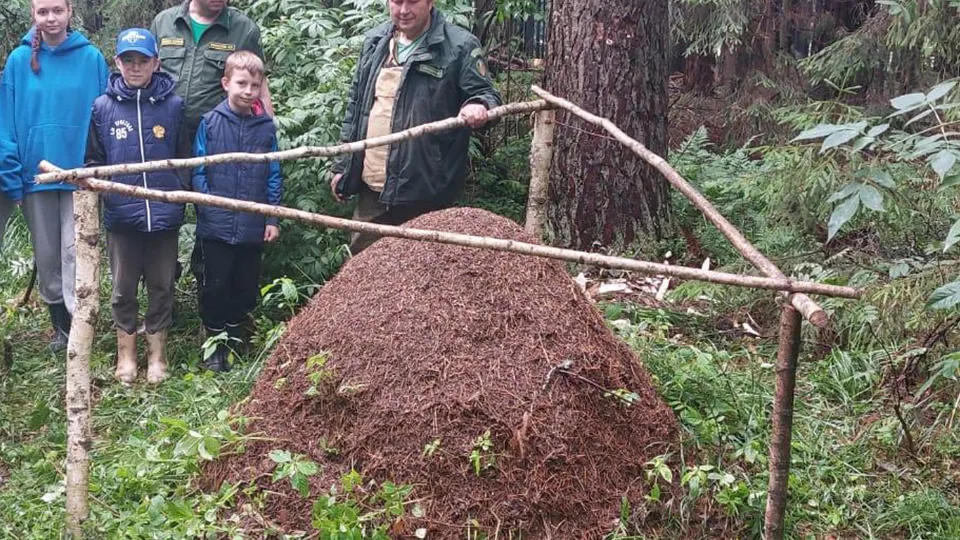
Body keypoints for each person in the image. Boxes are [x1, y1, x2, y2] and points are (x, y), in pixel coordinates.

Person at [329, 0, 501, 253]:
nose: (403, 10)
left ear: (430, 2)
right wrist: (343, 164)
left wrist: (477, 104)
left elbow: (487, 94)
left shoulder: (459, 46)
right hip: (374, 186)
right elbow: (356, 107)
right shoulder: (376, 42)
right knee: (364, 271)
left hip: (426, 187)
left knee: (424, 273)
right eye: (397, 2)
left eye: (413, 1)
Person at [84, 28, 191, 385]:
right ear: (117, 62)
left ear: (155, 63)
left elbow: (184, 158)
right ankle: (126, 354)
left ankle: (157, 355)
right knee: (123, 289)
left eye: (142, 60)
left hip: (164, 214)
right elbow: (93, 161)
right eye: (127, 60)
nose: (135, 67)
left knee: (162, 285)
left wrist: (179, 194)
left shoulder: (174, 106)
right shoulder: (103, 107)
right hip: (122, 217)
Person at [0, 0, 108, 351]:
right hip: (36, 177)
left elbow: (105, 114)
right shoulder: (18, 62)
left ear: (69, 12)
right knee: (47, 255)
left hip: (80, 175)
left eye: (56, 10)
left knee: (75, 252)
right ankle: (60, 328)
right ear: (34, 15)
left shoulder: (91, 59)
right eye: (43, 11)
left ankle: (82, 329)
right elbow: (7, 123)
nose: (50, 18)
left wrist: (101, 168)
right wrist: (12, 173)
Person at [192, 50, 282, 373]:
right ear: (226, 83)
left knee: (244, 287)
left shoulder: (265, 129)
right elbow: (198, 169)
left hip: (251, 226)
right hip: (215, 226)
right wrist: (207, 207)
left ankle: (234, 337)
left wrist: (271, 217)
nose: (248, 91)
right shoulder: (211, 123)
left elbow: (273, 173)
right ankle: (213, 345)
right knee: (215, 284)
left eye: (255, 85)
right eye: (242, 83)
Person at [150, 0, 274, 142]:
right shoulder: (163, 22)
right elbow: (147, 75)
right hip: (164, 132)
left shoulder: (244, 29)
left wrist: (267, 134)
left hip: (219, 135)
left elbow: (260, 84)